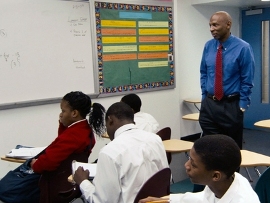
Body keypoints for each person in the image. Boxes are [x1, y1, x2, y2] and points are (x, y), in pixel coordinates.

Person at [73, 102, 169, 203]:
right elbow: (167, 178)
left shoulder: (109, 152)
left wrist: (83, 182)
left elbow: (102, 201)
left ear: (110, 120)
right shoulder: (155, 139)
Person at [20, 91, 105, 202]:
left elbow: (49, 161)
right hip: (69, 185)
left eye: (63, 111)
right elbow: (61, 146)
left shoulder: (73, 135)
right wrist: (62, 124)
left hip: (57, 188)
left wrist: (35, 165)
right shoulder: (84, 129)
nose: (61, 114)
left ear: (74, 113)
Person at [139, 134, 260, 203]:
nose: (186, 165)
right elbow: (203, 198)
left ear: (215, 176)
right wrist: (166, 200)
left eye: (193, 164)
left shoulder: (243, 200)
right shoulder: (227, 180)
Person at [198, 11, 255, 149]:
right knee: (209, 148)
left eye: (215, 25)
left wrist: (242, 105)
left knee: (230, 149)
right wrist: (204, 97)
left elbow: (247, 78)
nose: (211, 29)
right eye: (210, 25)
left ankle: (232, 172)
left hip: (231, 106)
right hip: (209, 105)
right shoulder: (208, 46)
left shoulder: (243, 47)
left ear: (228, 24)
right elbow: (204, 72)